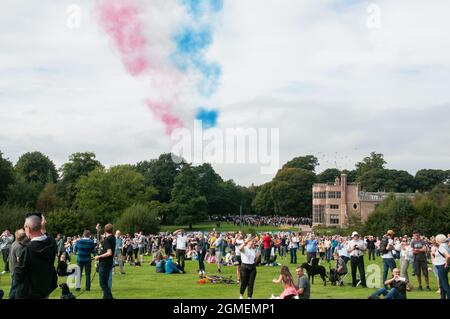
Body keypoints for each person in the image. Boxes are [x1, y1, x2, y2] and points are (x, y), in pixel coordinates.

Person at [14, 213, 58, 299]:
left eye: (25, 227)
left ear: (28, 229)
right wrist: (43, 227)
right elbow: (48, 237)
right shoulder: (51, 243)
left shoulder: (27, 250)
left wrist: (18, 263)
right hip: (45, 290)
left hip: (28, 293)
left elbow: (18, 276)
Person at [94, 223, 116, 299]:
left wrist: (98, 256)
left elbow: (109, 252)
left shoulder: (107, 239)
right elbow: (101, 239)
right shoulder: (112, 237)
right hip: (109, 263)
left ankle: (110, 297)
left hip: (104, 263)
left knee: (102, 284)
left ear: (105, 230)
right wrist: (98, 231)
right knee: (105, 283)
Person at [8, 229, 27, 299]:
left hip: (14, 270)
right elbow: (20, 260)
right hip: (17, 272)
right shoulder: (19, 247)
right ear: (23, 237)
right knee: (15, 290)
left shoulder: (14, 243)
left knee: (14, 289)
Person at [239, 235, 257, 299]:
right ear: (248, 242)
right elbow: (240, 248)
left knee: (251, 283)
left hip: (252, 268)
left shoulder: (253, 250)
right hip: (244, 267)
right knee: (244, 283)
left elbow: (254, 259)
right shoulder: (245, 248)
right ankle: (241, 294)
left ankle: (249, 297)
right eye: (252, 241)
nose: (253, 242)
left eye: (254, 241)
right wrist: (245, 242)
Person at [434, 234, 450, 299]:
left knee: (445, 285)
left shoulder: (441, 247)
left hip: (441, 266)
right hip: (441, 266)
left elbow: (448, 256)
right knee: (442, 285)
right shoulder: (446, 246)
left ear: (438, 240)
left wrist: (447, 263)